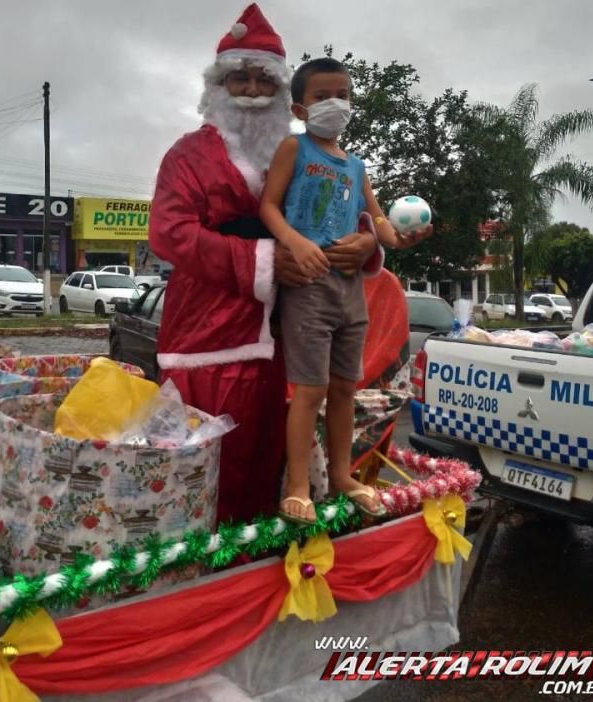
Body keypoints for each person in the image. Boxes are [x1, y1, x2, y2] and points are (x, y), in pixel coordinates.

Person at [148, 4, 383, 526]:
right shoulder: (188, 156)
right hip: (206, 342)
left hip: (282, 338)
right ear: (218, 85)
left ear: (284, 97)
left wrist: (366, 245)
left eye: (263, 81)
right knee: (203, 478)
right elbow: (170, 231)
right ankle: (197, 583)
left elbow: (342, 212)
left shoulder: (302, 154)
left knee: (267, 468)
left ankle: (257, 573)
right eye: (240, 79)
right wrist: (264, 260)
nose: (252, 91)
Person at [259, 57, 433, 524]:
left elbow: (378, 223)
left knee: (344, 389)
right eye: (323, 96)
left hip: (350, 292)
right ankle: (298, 485)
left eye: (344, 95)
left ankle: (341, 475)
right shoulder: (294, 150)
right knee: (310, 390)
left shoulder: (356, 167)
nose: (336, 104)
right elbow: (269, 207)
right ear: (300, 108)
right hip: (309, 287)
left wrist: (399, 237)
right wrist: (294, 242)